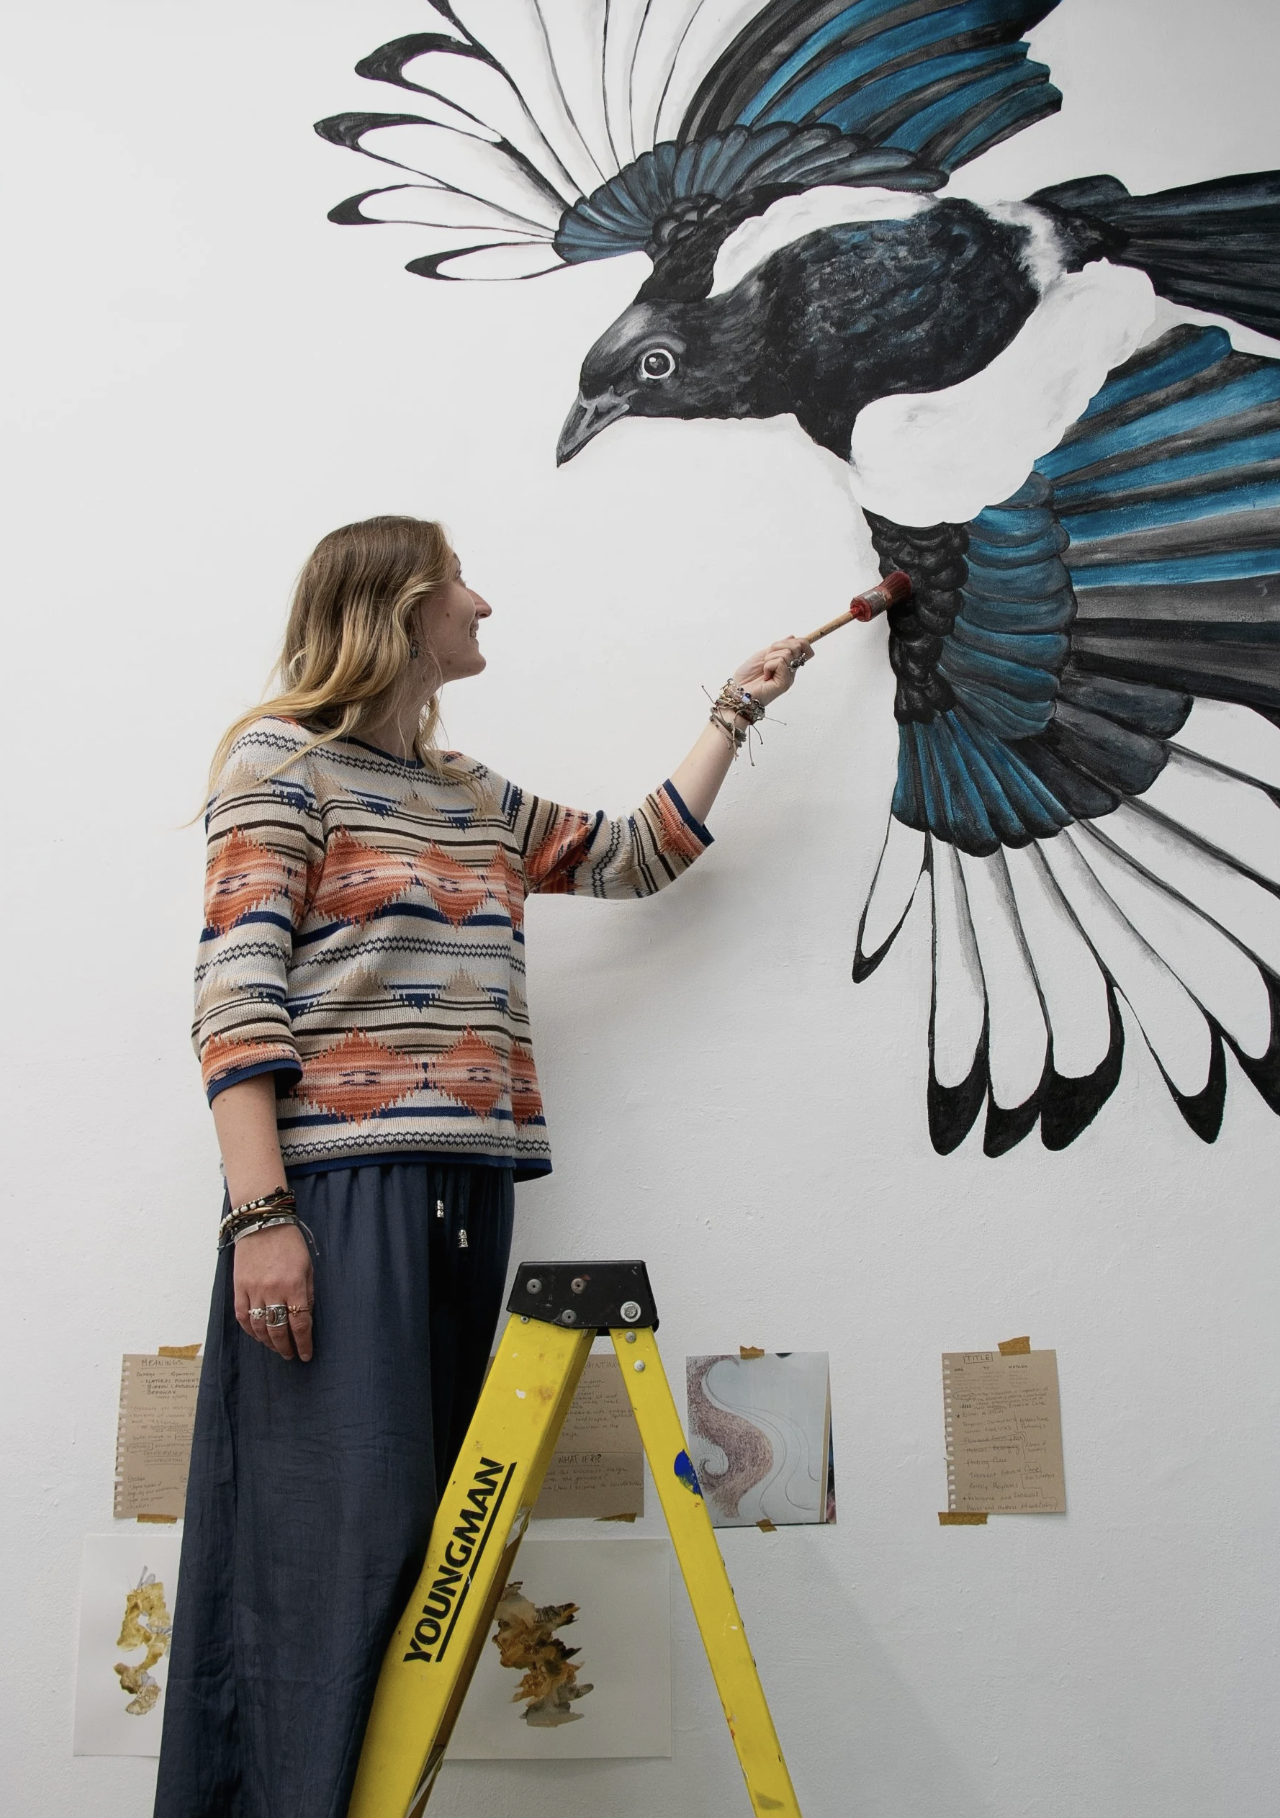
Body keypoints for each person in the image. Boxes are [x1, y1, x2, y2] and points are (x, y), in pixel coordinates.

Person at [154, 514, 812, 1817]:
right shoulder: (282, 762)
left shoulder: (467, 794)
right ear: (395, 606)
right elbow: (236, 990)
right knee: (327, 1555)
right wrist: (262, 1217)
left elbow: (638, 853)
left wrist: (735, 709)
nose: (483, 604)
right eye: (459, 583)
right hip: (339, 1195)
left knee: (415, 1558)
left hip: (465, 1191)